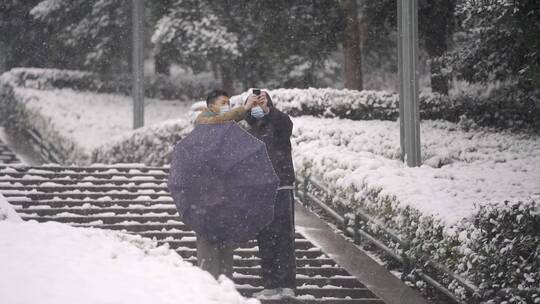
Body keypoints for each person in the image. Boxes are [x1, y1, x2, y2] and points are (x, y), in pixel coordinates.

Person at [193, 89, 257, 279]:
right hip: (207, 194)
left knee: (226, 244)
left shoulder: (228, 127)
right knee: (208, 241)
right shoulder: (203, 120)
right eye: (223, 103)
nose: (227, 106)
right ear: (210, 106)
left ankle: (225, 286)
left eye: (228, 103)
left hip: (227, 194)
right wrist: (243, 109)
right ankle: (209, 284)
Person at [243, 90, 297, 299]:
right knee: (264, 238)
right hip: (259, 191)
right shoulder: (247, 129)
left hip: (281, 187)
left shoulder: (279, 124)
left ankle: (287, 285)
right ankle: (270, 283)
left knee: (284, 237)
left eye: (262, 100)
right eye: (254, 101)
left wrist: (268, 110)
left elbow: (286, 125)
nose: (258, 104)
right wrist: (246, 109)